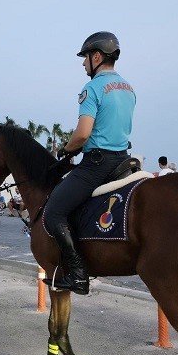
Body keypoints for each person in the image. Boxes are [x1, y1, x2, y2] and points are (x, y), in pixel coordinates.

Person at [43, 31, 135, 295]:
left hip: (98, 163)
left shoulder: (92, 88)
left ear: (97, 56)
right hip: (123, 161)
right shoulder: (128, 88)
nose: (83, 64)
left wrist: (65, 149)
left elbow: (83, 133)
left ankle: (78, 274)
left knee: (54, 212)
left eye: (85, 58)